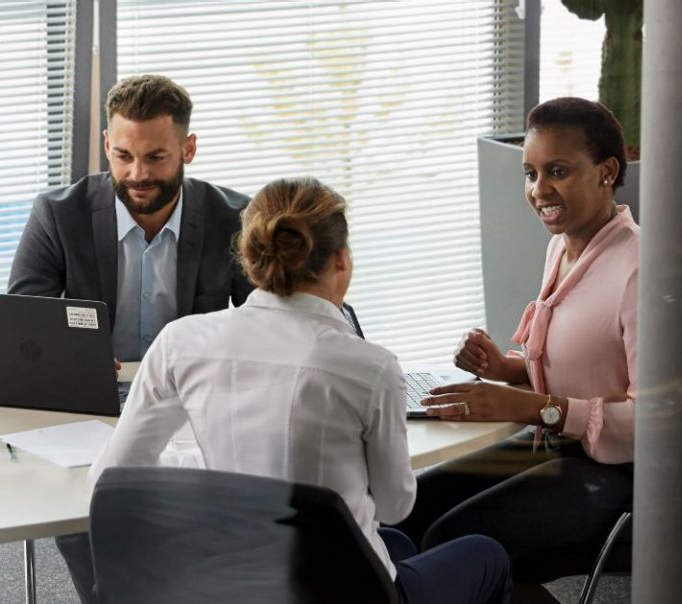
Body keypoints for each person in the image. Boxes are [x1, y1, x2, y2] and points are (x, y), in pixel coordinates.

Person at [88, 177, 513, 604]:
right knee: (485, 554)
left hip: (222, 586)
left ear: (250, 259)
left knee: (397, 545)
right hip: (339, 592)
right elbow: (394, 507)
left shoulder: (179, 341)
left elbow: (112, 474)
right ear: (341, 260)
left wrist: (213, 468)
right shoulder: (370, 366)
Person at [395, 97, 638, 604]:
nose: (539, 189)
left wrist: (533, 408)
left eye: (558, 171)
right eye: (530, 173)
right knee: (404, 515)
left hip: (617, 474)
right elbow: (586, 370)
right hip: (551, 445)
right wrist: (504, 368)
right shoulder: (562, 247)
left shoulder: (640, 270)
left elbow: (657, 421)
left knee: (450, 544)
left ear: (607, 171)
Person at [8, 74, 254, 363]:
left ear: (187, 149)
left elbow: (269, 324)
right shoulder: (57, 216)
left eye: (155, 157)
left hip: (193, 385)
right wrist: (73, 355)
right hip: (94, 386)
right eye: (124, 156)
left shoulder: (236, 219)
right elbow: (22, 326)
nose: (138, 174)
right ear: (107, 145)